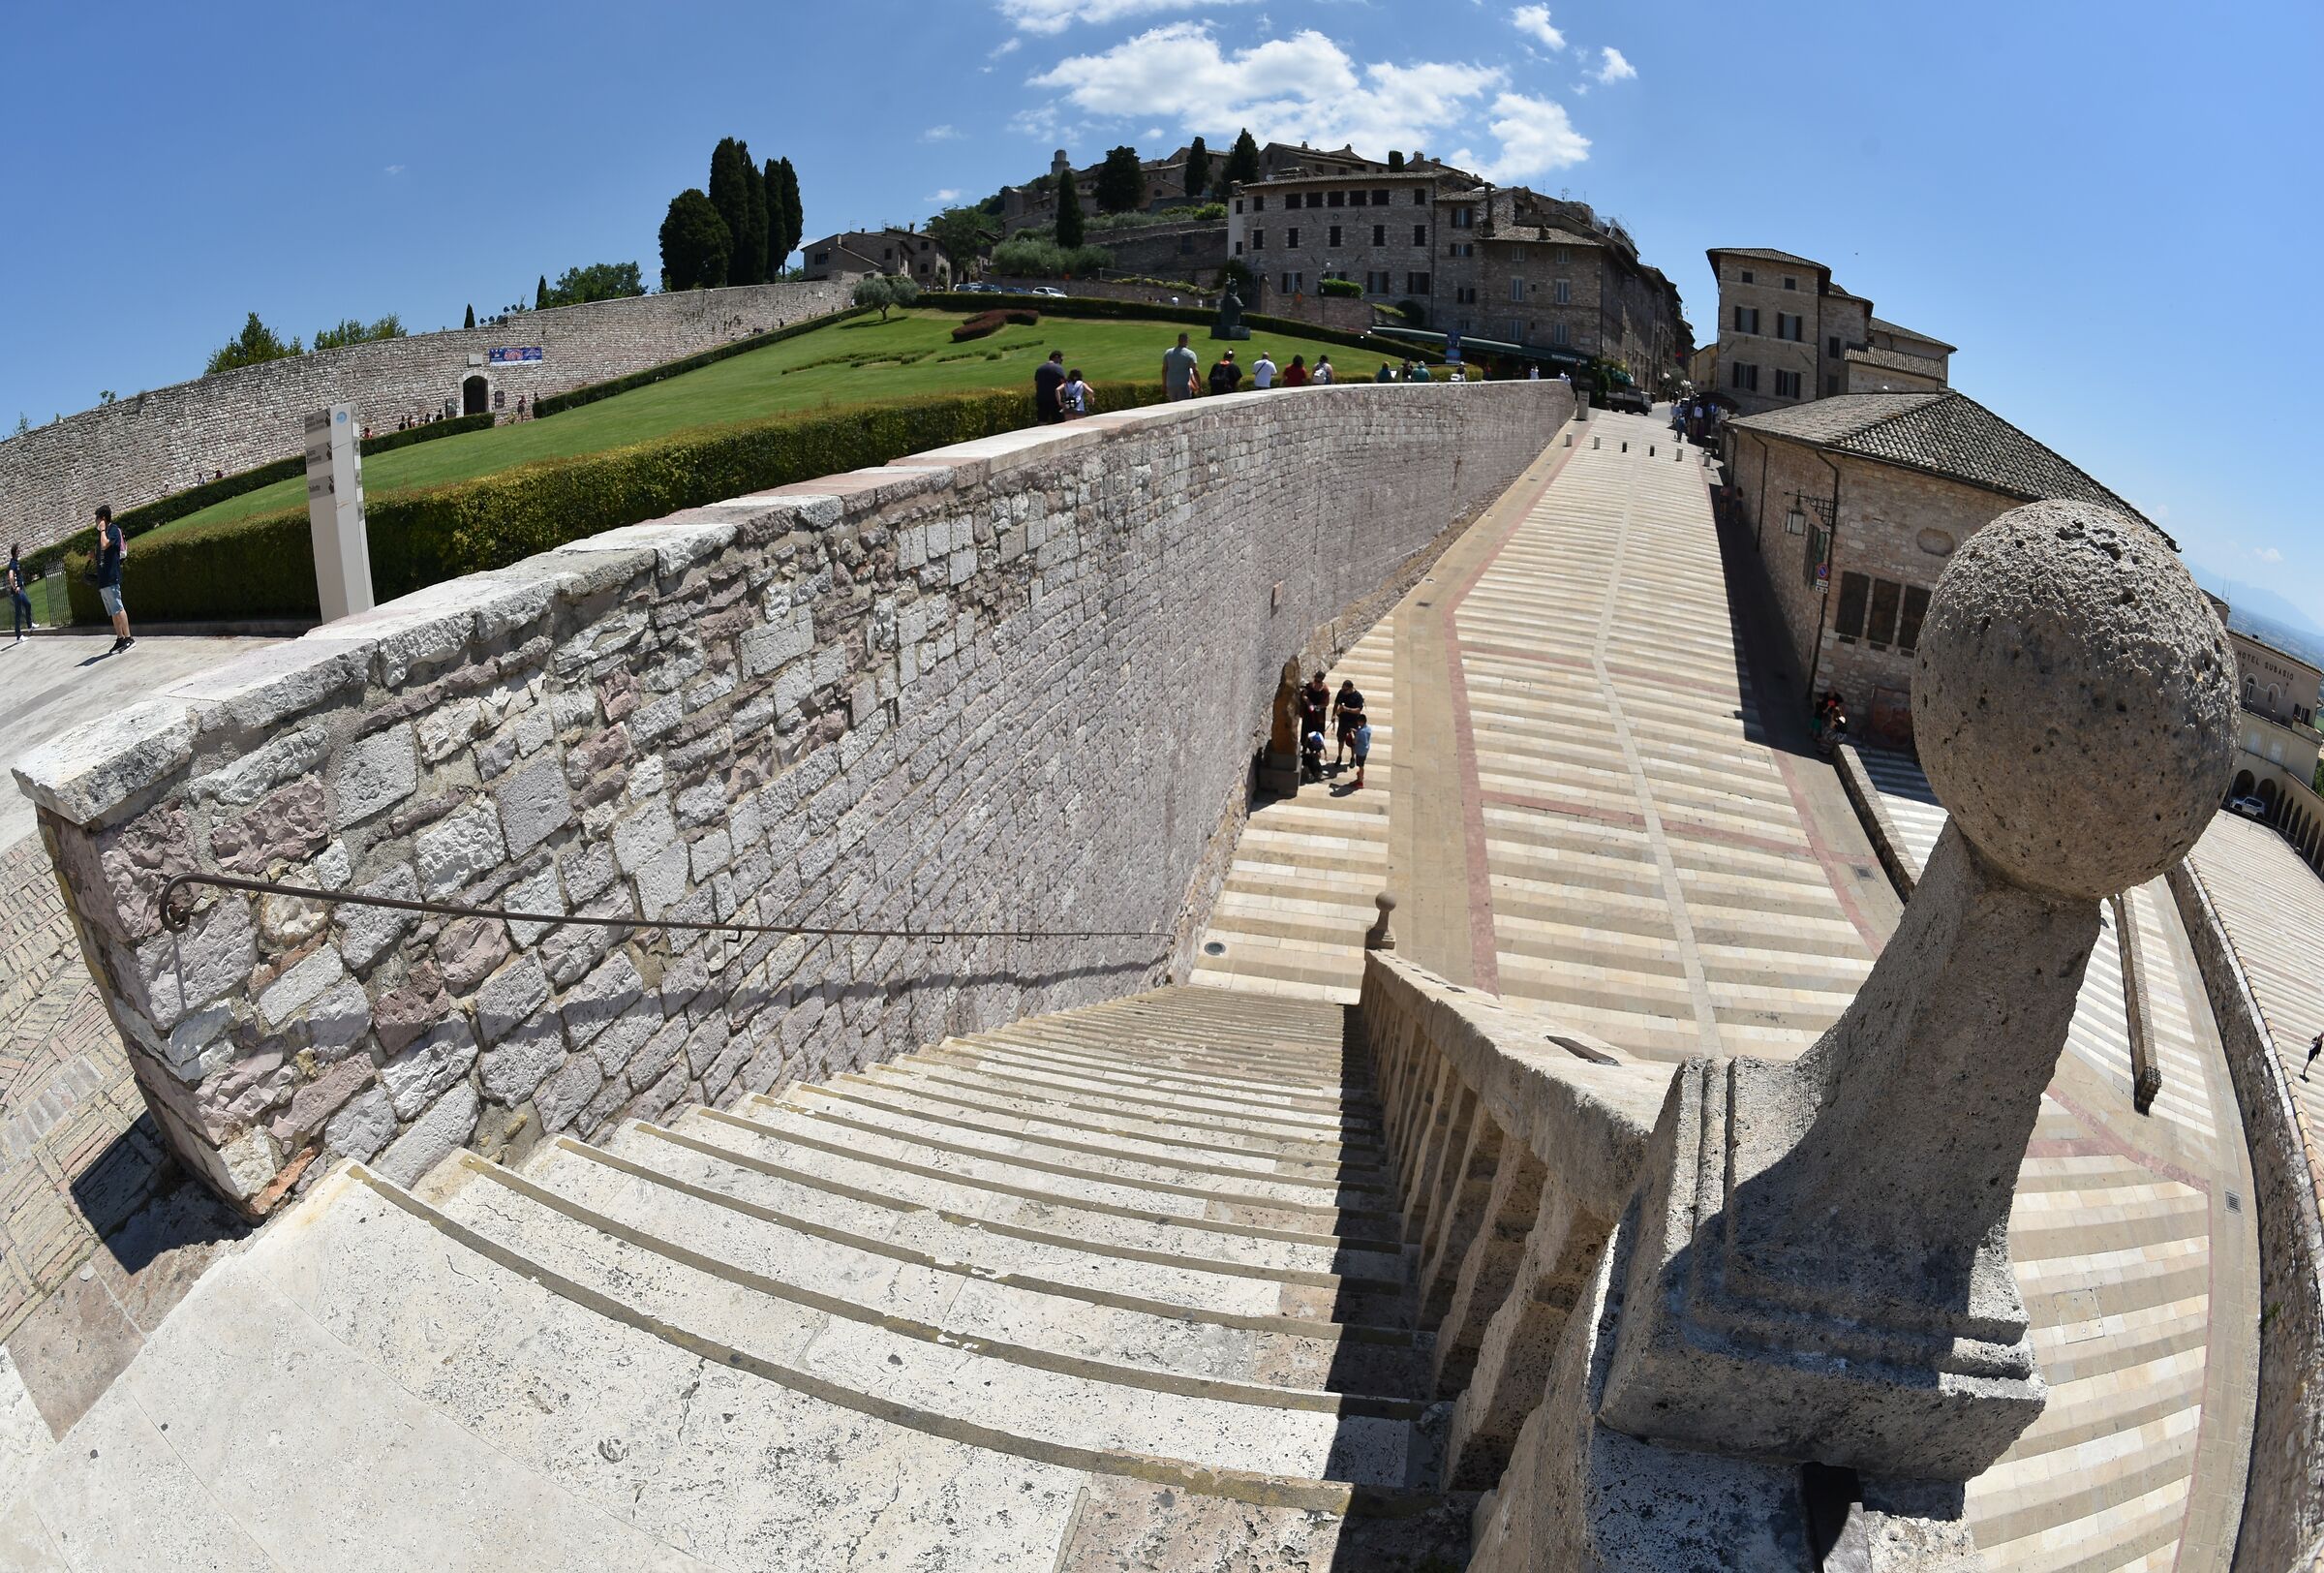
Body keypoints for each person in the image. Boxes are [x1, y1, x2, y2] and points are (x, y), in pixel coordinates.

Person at [91, 505, 132, 655]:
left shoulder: (113, 530)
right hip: (103, 579)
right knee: (113, 611)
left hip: (111, 576)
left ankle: (129, 638)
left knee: (119, 608)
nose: (95, 521)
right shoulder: (103, 533)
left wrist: (102, 530)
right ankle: (120, 637)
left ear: (103, 518)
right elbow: (102, 552)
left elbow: (105, 545)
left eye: (97, 518)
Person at [1332, 679, 1365, 768]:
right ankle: (1339, 756)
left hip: (1353, 721)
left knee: (1353, 741)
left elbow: (1358, 710)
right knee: (1340, 739)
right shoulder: (1341, 693)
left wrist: (1346, 709)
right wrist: (1334, 715)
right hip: (1343, 720)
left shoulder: (1358, 696)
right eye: (1343, 689)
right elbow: (1336, 704)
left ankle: (1352, 758)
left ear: (1351, 688)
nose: (1344, 691)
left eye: (1345, 689)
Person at [1163, 332, 1200, 401]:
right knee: (1183, 405)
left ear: (1178, 340)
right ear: (1187, 340)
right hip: (1183, 385)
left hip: (1170, 385)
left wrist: (1164, 385)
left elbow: (1164, 370)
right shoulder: (1190, 354)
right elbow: (1195, 371)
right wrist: (1199, 386)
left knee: (1173, 404)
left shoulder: (1168, 353)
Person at [1033, 350, 1067, 424]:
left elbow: (1036, 384)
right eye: (1061, 360)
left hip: (1041, 398)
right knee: (1058, 421)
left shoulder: (1039, 369)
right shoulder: (1058, 368)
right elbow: (1064, 383)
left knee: (1042, 420)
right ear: (1056, 357)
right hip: (1054, 399)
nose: (1061, 362)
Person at [7, 544, 30, 641]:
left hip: (20, 590)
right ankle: (19, 636)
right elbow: (11, 576)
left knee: (28, 604)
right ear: (15, 552)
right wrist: (15, 587)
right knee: (18, 613)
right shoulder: (13, 563)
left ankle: (30, 625)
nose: (20, 551)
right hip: (17, 592)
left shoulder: (16, 562)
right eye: (18, 550)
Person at [1349, 712, 1374, 790]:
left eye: (1358, 721)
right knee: (1362, 763)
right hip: (1365, 749)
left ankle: (1360, 781)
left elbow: (1354, 741)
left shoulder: (1360, 732)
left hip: (1360, 751)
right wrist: (1356, 731)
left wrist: (1352, 733)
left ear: (1361, 722)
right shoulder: (1368, 729)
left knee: (1360, 765)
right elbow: (1361, 733)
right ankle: (1360, 774)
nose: (1357, 722)